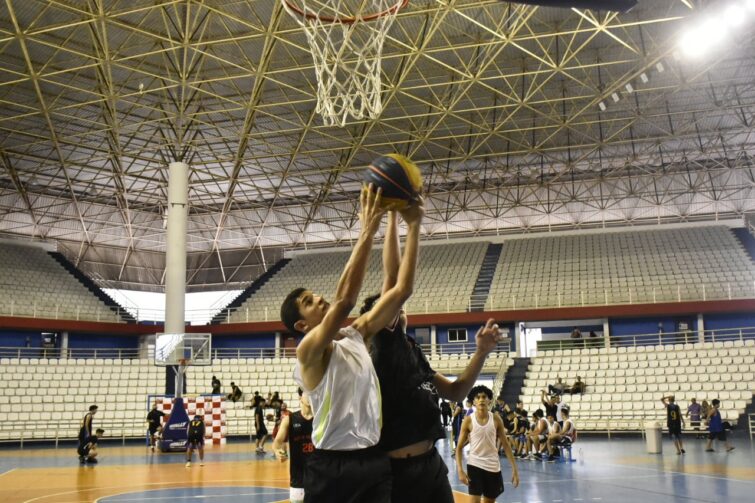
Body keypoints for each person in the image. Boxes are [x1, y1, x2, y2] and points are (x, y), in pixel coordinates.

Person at [282, 185, 422, 502]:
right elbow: (345, 301)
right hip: (332, 464)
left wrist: (413, 225)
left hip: (374, 458)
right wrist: (367, 230)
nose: (319, 299)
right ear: (302, 325)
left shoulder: (355, 335)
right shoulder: (307, 353)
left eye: (315, 295)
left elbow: (401, 291)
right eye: (309, 301)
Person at [363, 208, 506, 503]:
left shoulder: (412, 350)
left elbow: (456, 392)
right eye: (388, 305)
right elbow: (393, 282)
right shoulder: (382, 345)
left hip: (430, 467)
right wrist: (395, 219)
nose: (396, 305)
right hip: (394, 472)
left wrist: (480, 352)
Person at [455, 385, 519, 503]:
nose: (481, 399)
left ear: (489, 400)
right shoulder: (468, 420)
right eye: (478, 397)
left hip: (492, 466)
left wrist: (514, 469)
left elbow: (505, 444)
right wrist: (460, 470)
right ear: (473, 401)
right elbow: (458, 448)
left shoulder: (496, 419)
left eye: (484, 397)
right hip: (474, 465)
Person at [273, 388, 315, 503]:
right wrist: (277, 451)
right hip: (298, 476)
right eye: (308, 393)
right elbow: (277, 442)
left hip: (319, 474)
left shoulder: (321, 419)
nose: (311, 396)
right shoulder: (289, 419)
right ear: (300, 397)